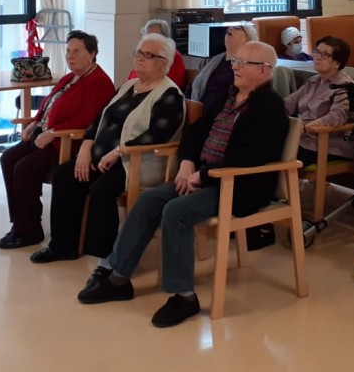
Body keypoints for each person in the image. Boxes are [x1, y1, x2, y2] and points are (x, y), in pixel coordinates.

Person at [76, 41, 289, 327]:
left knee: (177, 211)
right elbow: (193, 132)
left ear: (263, 71)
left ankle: (184, 297)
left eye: (242, 63)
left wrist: (203, 175)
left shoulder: (270, 108)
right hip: (203, 177)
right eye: (235, 61)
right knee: (149, 200)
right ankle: (118, 277)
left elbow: (252, 156)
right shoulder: (228, 97)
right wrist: (188, 162)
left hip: (237, 186)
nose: (234, 67)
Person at [30, 33, 185, 264]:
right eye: (139, 53)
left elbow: (157, 135)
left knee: (102, 188)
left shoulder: (169, 94)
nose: (140, 58)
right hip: (102, 157)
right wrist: (86, 148)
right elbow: (99, 118)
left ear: (164, 63)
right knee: (65, 175)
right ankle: (62, 246)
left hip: (138, 163)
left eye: (148, 55)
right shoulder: (128, 86)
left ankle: (103, 255)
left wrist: (119, 151)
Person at [0, 30, 115, 249]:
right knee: (8, 158)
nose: (70, 56)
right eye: (68, 51)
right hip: (44, 135)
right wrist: (34, 122)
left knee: (24, 167)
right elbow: (48, 105)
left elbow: (88, 119)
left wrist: (53, 131)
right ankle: (20, 223)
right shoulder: (70, 77)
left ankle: (29, 230)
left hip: (65, 142)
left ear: (92, 54)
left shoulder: (99, 82)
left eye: (76, 51)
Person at [284, 36, 354, 164]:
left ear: (338, 63)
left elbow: (337, 117)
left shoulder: (345, 86)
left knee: (274, 151)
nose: (317, 57)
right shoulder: (313, 81)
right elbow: (288, 104)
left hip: (326, 145)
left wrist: (305, 128)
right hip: (300, 138)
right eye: (316, 52)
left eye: (325, 54)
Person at [185, 22, 258, 117]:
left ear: (248, 39)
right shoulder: (212, 61)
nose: (230, 28)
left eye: (237, 28)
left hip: (220, 115)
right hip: (196, 109)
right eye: (228, 29)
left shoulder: (246, 66)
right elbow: (194, 85)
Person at [124, 18, 187, 87]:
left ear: (165, 38)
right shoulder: (142, 55)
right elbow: (128, 82)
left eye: (155, 36)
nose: (150, 40)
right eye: (147, 36)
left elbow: (169, 85)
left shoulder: (173, 57)